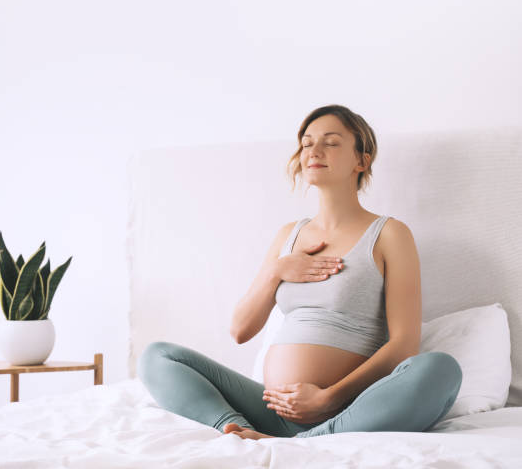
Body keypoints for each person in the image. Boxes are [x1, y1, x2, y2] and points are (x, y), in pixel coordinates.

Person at [138, 104, 462, 439]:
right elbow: (239, 330)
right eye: (307, 143)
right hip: (270, 407)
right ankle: (239, 430)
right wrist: (276, 272)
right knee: (157, 356)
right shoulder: (288, 235)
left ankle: (306, 442)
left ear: (361, 160)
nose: (314, 151)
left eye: (331, 142)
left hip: (349, 409)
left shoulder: (390, 235)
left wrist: (327, 398)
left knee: (441, 369)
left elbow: (404, 345)